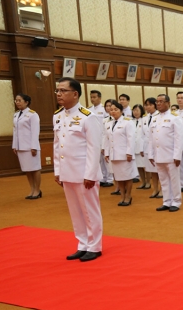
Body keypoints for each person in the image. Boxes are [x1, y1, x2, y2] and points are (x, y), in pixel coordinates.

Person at [52, 77, 103, 262]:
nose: (59, 94)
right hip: (68, 172)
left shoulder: (88, 116)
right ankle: (82, 244)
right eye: (57, 90)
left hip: (84, 174)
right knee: (76, 211)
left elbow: (94, 147)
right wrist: (58, 170)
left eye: (63, 90)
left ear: (75, 94)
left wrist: (90, 174)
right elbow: (57, 145)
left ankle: (95, 246)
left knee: (90, 211)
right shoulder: (57, 116)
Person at [147, 94, 183, 212]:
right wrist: (151, 154)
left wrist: (177, 155)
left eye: (161, 101)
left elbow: (178, 138)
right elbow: (151, 138)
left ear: (168, 103)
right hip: (158, 155)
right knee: (163, 180)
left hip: (171, 155)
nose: (158, 104)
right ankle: (166, 201)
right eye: (157, 102)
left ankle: (176, 201)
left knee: (174, 179)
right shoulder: (155, 118)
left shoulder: (175, 117)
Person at [103, 99, 137, 206]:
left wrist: (129, 153)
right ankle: (122, 196)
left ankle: (128, 196)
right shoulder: (108, 123)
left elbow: (131, 139)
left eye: (116, 109)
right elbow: (106, 139)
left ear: (121, 110)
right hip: (114, 155)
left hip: (124, 154)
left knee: (127, 176)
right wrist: (106, 153)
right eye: (111, 109)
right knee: (118, 178)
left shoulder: (128, 122)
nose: (113, 111)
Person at [12, 93, 42, 199]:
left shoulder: (33, 114)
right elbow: (15, 131)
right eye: (16, 100)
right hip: (21, 147)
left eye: (19, 100)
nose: (17, 102)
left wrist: (33, 147)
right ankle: (32, 189)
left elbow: (35, 132)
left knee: (35, 168)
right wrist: (14, 145)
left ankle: (37, 190)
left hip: (30, 147)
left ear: (26, 102)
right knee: (27, 170)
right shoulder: (16, 115)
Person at [142, 97, 162, 199]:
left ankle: (162, 189)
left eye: (150, 105)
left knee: (160, 170)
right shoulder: (144, 118)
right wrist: (142, 148)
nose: (148, 107)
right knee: (152, 170)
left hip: (158, 147)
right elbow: (142, 135)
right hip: (147, 147)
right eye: (146, 105)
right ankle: (155, 189)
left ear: (155, 105)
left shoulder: (159, 116)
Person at [132, 104, 147, 189]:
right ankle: (143, 181)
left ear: (141, 111)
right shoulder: (131, 121)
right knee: (139, 166)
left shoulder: (144, 120)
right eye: (134, 110)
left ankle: (148, 182)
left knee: (146, 166)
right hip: (135, 147)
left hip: (143, 147)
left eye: (137, 110)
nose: (136, 112)